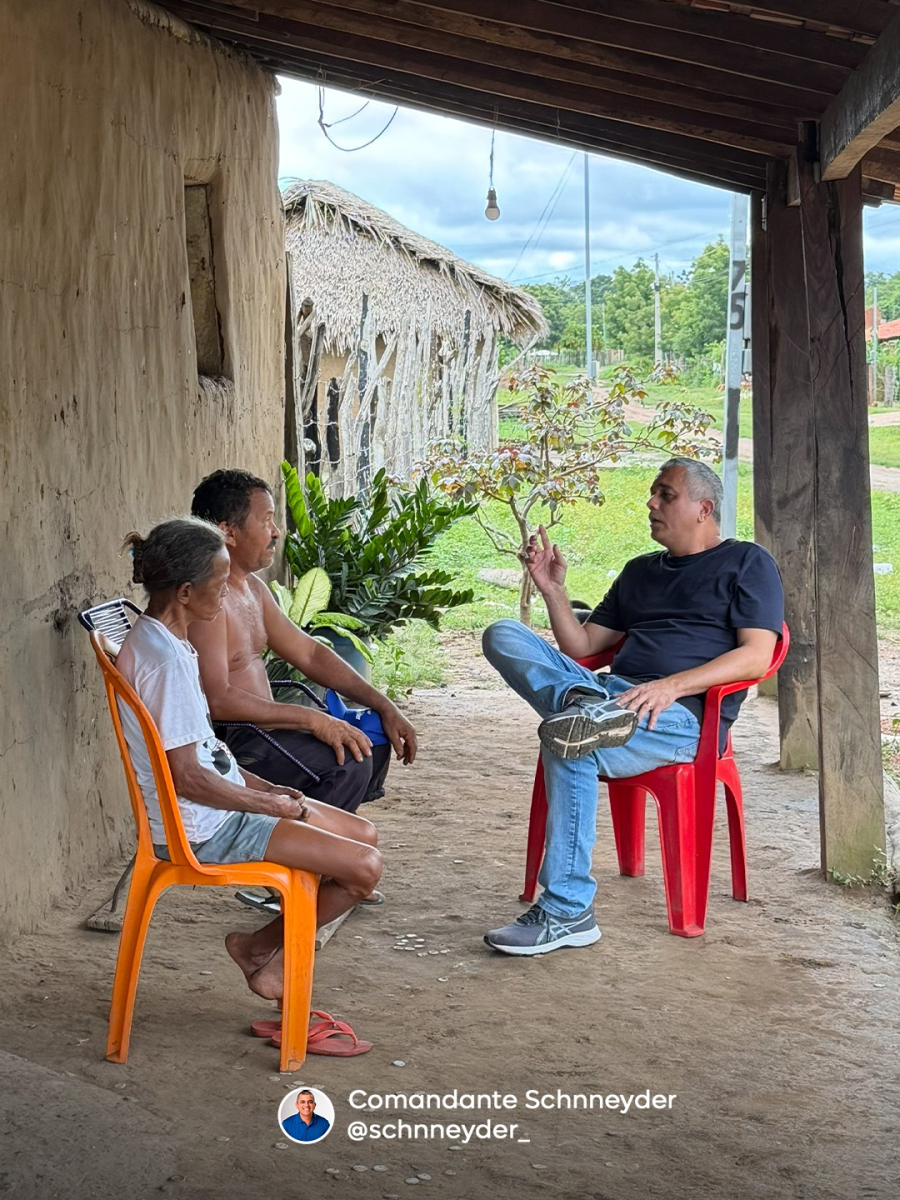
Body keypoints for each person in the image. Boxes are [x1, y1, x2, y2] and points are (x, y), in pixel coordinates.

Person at [481, 457, 783, 957]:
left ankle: (565, 911)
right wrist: (552, 590)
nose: (651, 502)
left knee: (569, 742)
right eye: (653, 493)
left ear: (704, 509)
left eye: (666, 494)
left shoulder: (747, 563)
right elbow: (582, 648)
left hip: (680, 719)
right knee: (503, 635)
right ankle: (582, 706)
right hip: (610, 695)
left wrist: (671, 686)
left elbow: (755, 656)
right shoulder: (640, 571)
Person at [116, 517, 383, 1000]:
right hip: (204, 826)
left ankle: (256, 948)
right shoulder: (167, 663)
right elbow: (189, 779)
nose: (225, 597)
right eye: (219, 585)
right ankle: (263, 953)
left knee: (363, 834)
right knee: (364, 867)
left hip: (217, 806)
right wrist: (267, 806)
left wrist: (263, 787)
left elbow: (206, 753)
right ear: (184, 592)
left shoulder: (166, 641)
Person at [189, 470, 417, 815]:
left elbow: (309, 652)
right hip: (234, 743)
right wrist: (310, 720)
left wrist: (384, 705)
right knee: (347, 762)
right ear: (228, 532)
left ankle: (322, 851)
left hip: (265, 733)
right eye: (266, 521)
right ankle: (309, 858)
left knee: (374, 742)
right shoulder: (208, 601)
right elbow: (217, 700)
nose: (276, 532)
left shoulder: (252, 590)